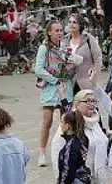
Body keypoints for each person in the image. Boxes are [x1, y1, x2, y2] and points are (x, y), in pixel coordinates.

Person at [35, 20, 74, 167]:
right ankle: (42, 153)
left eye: (60, 31)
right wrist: (54, 80)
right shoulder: (44, 48)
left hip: (65, 88)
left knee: (65, 121)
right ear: (49, 32)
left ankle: (64, 151)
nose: (59, 33)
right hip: (50, 88)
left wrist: (71, 68)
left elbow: (68, 66)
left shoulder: (65, 48)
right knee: (47, 121)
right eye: (56, 31)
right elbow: (38, 69)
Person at [51, 85, 108, 183]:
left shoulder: (94, 121)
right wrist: (59, 177)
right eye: (88, 101)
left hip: (97, 177)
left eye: (94, 101)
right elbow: (57, 148)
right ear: (77, 104)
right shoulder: (70, 122)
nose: (92, 104)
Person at [64, 13, 102, 94]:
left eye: (74, 22)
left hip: (86, 83)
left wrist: (93, 78)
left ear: (80, 25)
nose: (71, 24)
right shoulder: (65, 40)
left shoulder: (89, 39)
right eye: (70, 22)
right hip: (70, 83)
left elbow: (97, 60)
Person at [57, 110, 90, 184]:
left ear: (68, 125)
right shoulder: (83, 138)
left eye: (62, 122)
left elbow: (67, 171)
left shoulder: (70, 146)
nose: (61, 125)